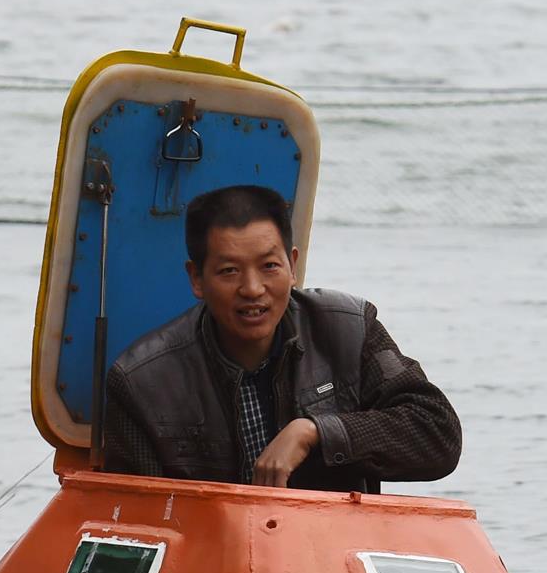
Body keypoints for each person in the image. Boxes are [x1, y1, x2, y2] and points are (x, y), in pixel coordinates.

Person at [98, 184, 459, 491]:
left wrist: (315, 432)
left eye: (269, 266)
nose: (253, 289)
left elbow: (438, 435)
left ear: (293, 266)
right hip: (210, 559)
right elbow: (136, 517)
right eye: (229, 271)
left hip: (329, 555)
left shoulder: (348, 329)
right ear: (196, 279)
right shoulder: (140, 382)